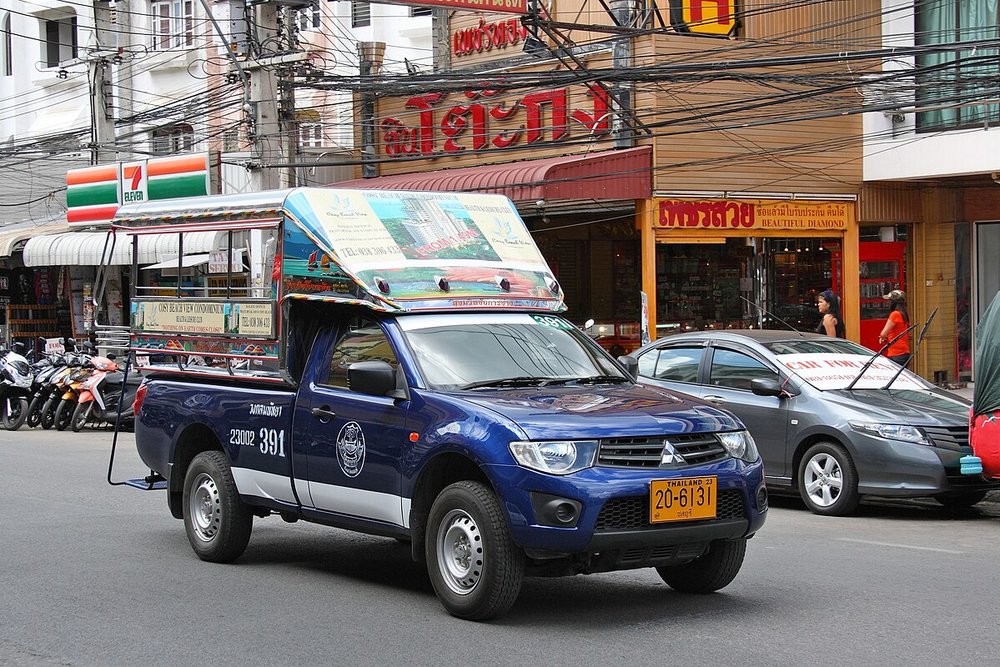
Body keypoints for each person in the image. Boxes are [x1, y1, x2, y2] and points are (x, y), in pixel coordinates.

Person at [878, 289, 910, 366]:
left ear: (893, 302)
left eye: (889, 300)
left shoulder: (895, 314)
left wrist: (883, 337)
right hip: (904, 351)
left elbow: (883, 334)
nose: (888, 303)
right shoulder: (903, 314)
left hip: (895, 353)